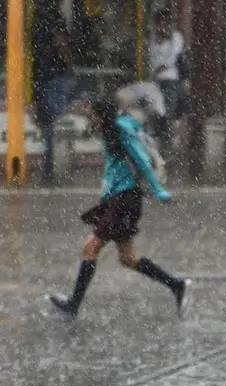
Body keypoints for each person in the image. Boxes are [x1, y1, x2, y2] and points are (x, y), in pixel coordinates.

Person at [48, 97, 190, 318]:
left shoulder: (119, 130)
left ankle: (73, 304)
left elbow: (141, 160)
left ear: (100, 114)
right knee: (127, 258)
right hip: (117, 199)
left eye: (90, 111)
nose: (87, 114)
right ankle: (176, 285)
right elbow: (114, 166)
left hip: (126, 200)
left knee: (91, 247)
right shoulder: (108, 131)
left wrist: (157, 189)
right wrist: (107, 192)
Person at [31, 2, 77, 184]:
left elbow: (57, 44)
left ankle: (53, 168)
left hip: (45, 76)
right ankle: (58, 169)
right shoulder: (53, 17)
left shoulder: (37, 19)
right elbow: (62, 43)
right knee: (57, 125)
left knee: (51, 125)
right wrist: (69, 67)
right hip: (54, 76)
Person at [148, 9, 186, 154]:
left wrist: (154, 73)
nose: (162, 26)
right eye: (159, 22)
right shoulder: (153, 39)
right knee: (156, 114)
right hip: (155, 83)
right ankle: (159, 144)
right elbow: (151, 59)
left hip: (169, 80)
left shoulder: (175, 37)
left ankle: (168, 146)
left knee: (167, 113)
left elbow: (170, 60)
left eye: (165, 22)